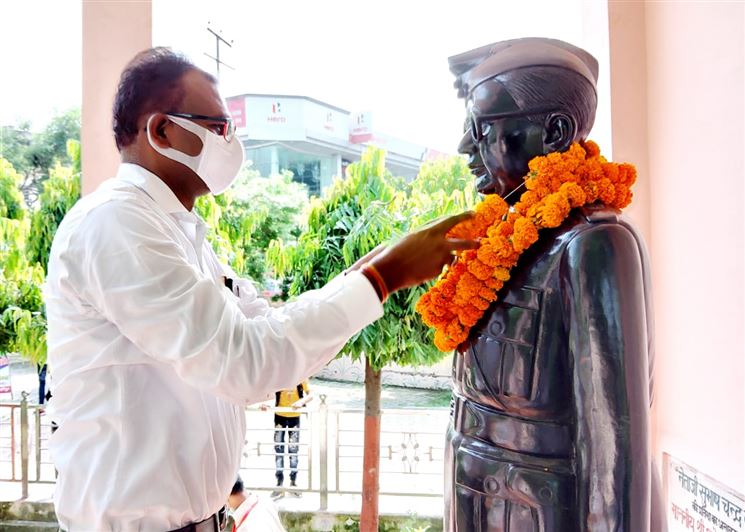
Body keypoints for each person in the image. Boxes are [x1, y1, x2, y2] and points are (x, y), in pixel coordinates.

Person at [45, 47, 477, 531]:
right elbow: (247, 361)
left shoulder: (178, 233)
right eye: (218, 127)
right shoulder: (116, 226)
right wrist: (386, 276)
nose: (231, 144)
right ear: (161, 130)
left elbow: (267, 327)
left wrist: (381, 259)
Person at [442, 38, 664, 531]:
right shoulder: (503, 235)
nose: (464, 149)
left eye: (481, 129)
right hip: (477, 501)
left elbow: (613, 450)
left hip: (540, 512)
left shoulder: (595, 243)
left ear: (555, 132)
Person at [269, 381, 311, 498]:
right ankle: (279, 484)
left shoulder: (301, 374)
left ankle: (293, 482)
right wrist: (265, 403)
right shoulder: (280, 373)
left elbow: (311, 394)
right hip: (279, 416)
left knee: (293, 450)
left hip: (294, 417)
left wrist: (301, 401)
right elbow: (267, 391)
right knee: (279, 449)